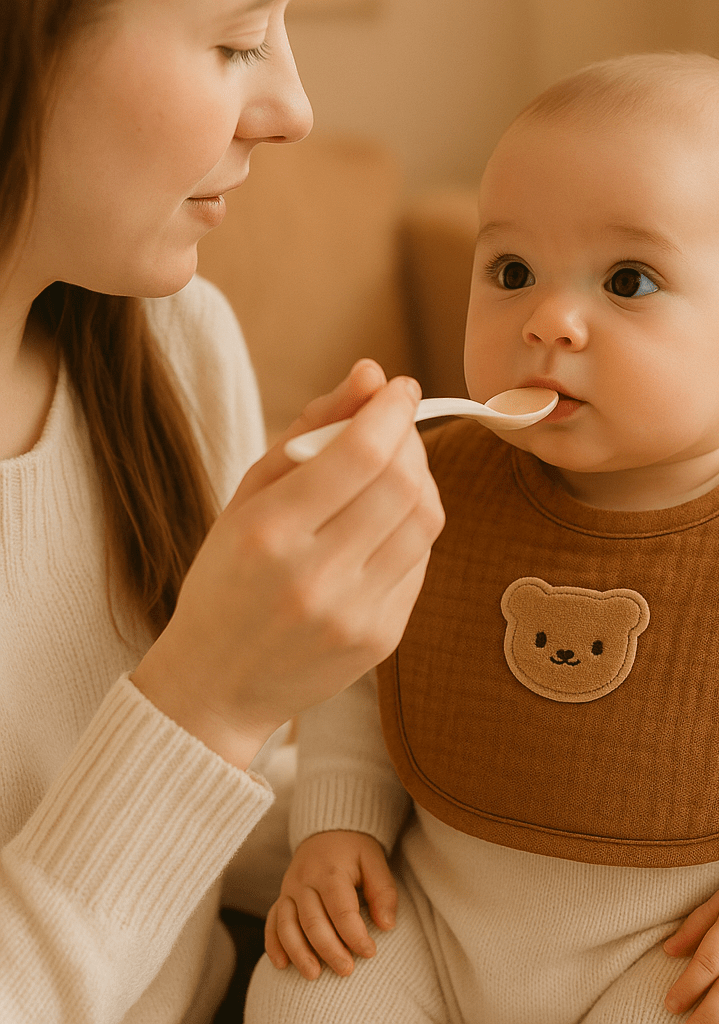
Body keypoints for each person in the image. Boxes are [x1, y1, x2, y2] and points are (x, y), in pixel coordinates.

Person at [246, 53, 719, 1024]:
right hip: (422, 922)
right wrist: (336, 827)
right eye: (510, 271)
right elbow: (360, 674)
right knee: (303, 987)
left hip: (672, 951)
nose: (547, 320)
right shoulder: (438, 487)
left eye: (628, 280)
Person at [0, 1, 444, 1022]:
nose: (291, 109)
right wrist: (206, 702)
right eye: (238, 40)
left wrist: (613, 854)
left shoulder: (173, 342)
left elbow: (195, 842)